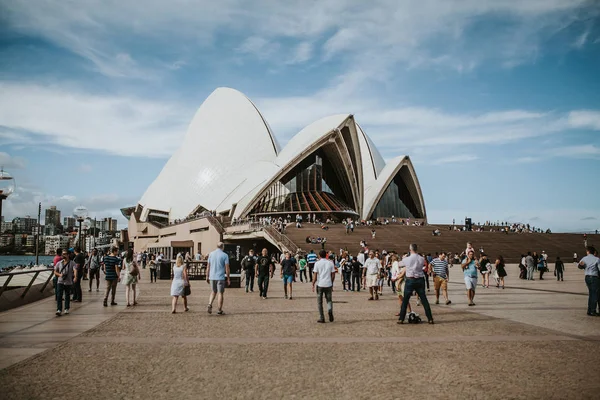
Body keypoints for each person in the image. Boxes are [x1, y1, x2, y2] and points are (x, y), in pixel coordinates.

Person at [397, 244, 434, 324]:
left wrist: (404, 258)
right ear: (417, 249)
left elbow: (399, 264)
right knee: (424, 299)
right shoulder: (421, 258)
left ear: (410, 249)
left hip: (410, 280)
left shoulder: (407, 259)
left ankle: (401, 318)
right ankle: (430, 318)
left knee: (405, 299)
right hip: (420, 279)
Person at [206, 242, 230, 315]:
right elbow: (227, 268)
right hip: (220, 277)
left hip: (212, 276)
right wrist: (228, 278)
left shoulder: (211, 254)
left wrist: (207, 276)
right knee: (220, 293)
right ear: (223, 247)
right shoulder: (225, 255)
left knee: (213, 291)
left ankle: (210, 303)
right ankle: (219, 309)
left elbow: (208, 266)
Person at [312, 249, 336, 323]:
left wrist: (313, 283)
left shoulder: (317, 263)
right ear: (326, 255)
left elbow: (315, 275)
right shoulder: (330, 263)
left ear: (319, 255)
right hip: (328, 284)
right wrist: (331, 282)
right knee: (329, 300)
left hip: (320, 284)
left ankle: (322, 317)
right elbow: (333, 274)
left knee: (319, 302)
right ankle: (329, 311)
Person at [578, 246, 599, 316]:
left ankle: (589, 310)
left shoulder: (584, 258)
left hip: (587, 278)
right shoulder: (597, 259)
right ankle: (593, 310)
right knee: (594, 294)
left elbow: (579, 266)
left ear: (588, 252)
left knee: (591, 294)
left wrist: (583, 266)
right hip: (594, 277)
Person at [54, 249, 75, 316]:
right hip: (60, 281)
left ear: (68, 255)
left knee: (67, 295)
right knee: (59, 295)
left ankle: (66, 309)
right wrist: (60, 275)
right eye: (63, 254)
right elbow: (55, 271)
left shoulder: (72, 263)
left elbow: (75, 270)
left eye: (65, 254)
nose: (63, 255)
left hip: (68, 282)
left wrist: (76, 276)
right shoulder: (59, 263)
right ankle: (59, 309)